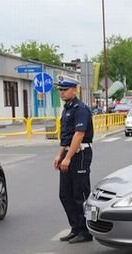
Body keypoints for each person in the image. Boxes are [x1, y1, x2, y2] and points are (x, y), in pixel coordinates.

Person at [54, 75, 94, 244]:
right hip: (69, 154)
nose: (62, 93)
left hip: (80, 154)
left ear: (74, 90)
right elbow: (66, 136)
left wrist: (68, 158)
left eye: (65, 89)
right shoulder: (67, 109)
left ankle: (86, 230)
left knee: (80, 194)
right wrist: (59, 155)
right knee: (65, 194)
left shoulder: (80, 108)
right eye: (60, 90)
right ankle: (75, 228)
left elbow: (79, 134)